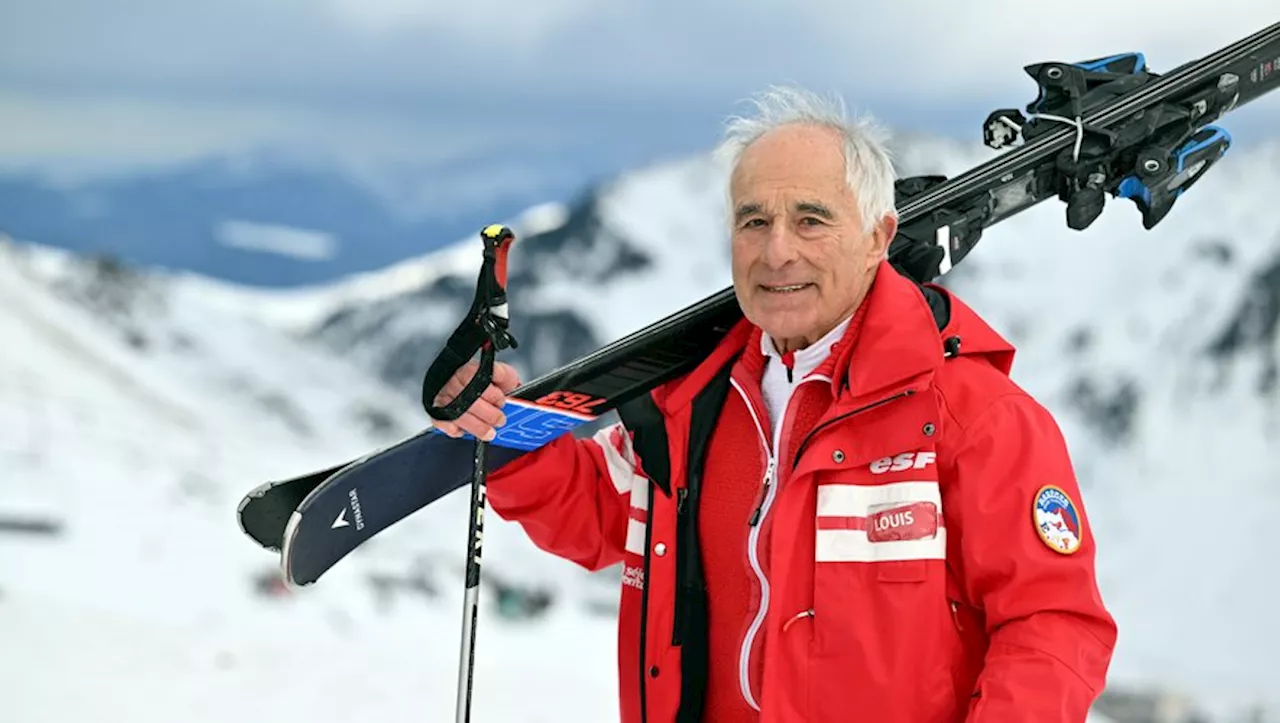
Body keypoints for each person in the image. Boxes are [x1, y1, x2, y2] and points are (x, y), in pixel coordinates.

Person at [429, 86, 1117, 723]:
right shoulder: (693, 402)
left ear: (878, 237)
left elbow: (1052, 623)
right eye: (753, 221)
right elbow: (597, 507)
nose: (776, 251)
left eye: (811, 220)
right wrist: (505, 431)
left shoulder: (972, 415)